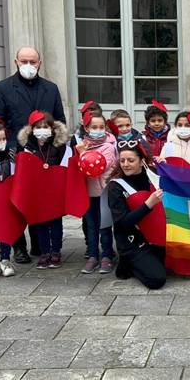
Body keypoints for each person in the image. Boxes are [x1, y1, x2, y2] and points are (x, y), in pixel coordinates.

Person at [0, 46, 66, 264]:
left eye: (33, 61)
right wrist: (7, 147)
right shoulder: (2, 88)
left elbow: (59, 120)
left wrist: (57, 149)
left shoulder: (50, 89)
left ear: (40, 63)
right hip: (14, 153)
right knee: (15, 201)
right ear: (16, 62)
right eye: (24, 61)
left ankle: (39, 245)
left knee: (39, 199)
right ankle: (18, 246)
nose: (28, 66)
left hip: (44, 154)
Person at [107, 140, 166, 289]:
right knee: (157, 280)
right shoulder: (115, 186)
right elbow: (122, 223)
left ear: (141, 161)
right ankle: (127, 264)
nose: (125, 164)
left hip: (154, 236)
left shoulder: (153, 176)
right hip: (132, 242)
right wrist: (148, 205)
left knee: (179, 263)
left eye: (131, 160)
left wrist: (167, 166)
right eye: (122, 160)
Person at [17, 111, 69, 269]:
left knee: (55, 224)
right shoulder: (27, 147)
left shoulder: (58, 146)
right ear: (32, 129)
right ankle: (45, 252)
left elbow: (64, 167)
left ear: (52, 128)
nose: (42, 129)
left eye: (45, 126)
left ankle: (56, 252)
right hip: (37, 194)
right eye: (38, 127)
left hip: (54, 193)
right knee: (40, 225)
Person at [76, 113, 117, 274]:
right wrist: (81, 152)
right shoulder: (82, 145)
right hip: (88, 193)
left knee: (105, 226)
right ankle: (93, 255)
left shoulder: (108, 146)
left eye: (101, 127)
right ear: (86, 129)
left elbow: (99, 165)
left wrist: (83, 154)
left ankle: (107, 255)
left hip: (104, 192)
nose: (98, 130)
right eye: (94, 127)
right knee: (91, 226)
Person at [0, 119, 16, 277]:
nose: (2, 142)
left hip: (6, 199)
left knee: (5, 230)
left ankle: (5, 259)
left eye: (4, 139)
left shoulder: (10, 156)